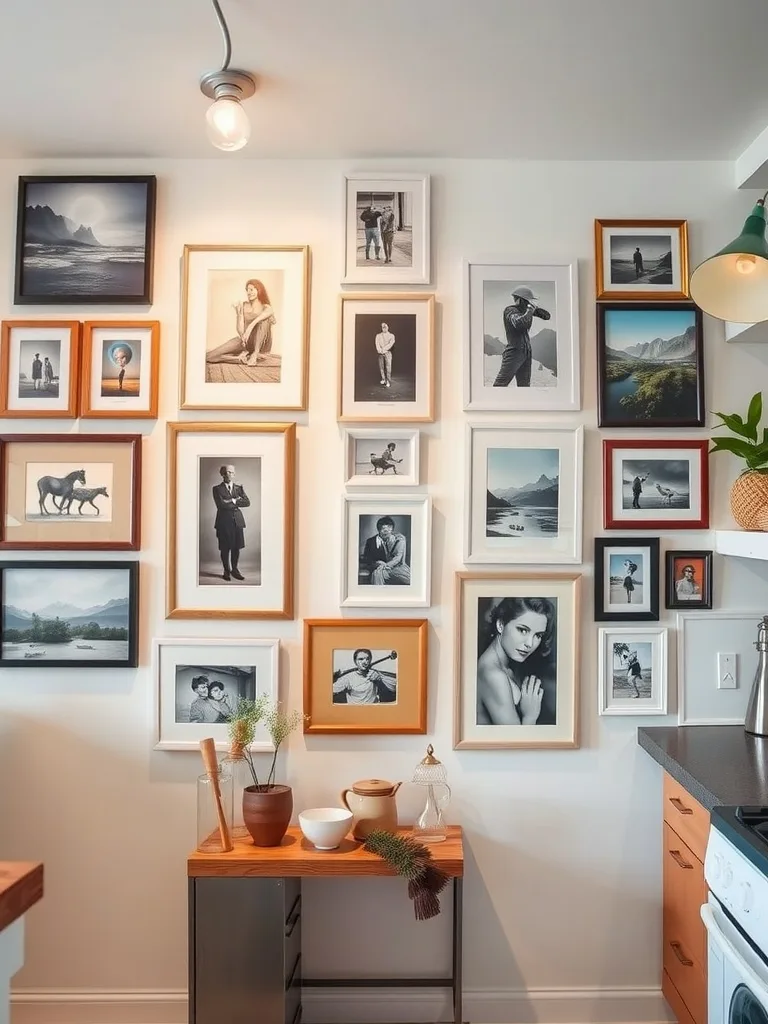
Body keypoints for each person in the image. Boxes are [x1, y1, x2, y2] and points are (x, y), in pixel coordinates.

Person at [476, 597, 555, 725]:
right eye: (523, 630)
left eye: (538, 635)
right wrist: (530, 717)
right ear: (500, 625)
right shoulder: (493, 675)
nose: (530, 644)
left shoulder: (511, 663)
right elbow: (516, 743)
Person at [205, 280, 276, 366]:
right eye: (247, 290)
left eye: (252, 289)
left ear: (259, 290)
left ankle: (255, 354)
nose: (249, 292)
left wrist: (250, 326)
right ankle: (239, 359)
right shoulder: (243, 305)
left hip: (260, 346)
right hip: (246, 342)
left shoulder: (266, 307)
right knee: (209, 356)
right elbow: (241, 330)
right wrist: (238, 315)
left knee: (263, 320)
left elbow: (265, 316)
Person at [493, 286, 551, 388]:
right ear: (521, 300)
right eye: (528, 301)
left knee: (524, 386)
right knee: (500, 384)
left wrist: (535, 310)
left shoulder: (525, 311)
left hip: (526, 353)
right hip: (514, 352)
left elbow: (547, 316)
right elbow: (521, 324)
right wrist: (529, 310)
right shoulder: (510, 310)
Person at [212, 464, 251, 582]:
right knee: (225, 548)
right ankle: (226, 571)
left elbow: (247, 502)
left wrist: (230, 500)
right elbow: (221, 505)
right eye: (227, 472)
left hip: (237, 522)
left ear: (234, 474)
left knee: (236, 548)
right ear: (222, 474)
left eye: (231, 472)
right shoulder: (217, 489)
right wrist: (236, 500)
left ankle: (235, 569)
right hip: (223, 522)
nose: (229, 474)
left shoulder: (239, 488)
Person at [361, 515, 411, 586]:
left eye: (389, 528)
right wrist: (377, 563)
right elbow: (367, 559)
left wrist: (385, 565)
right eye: (383, 528)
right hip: (379, 568)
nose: (386, 531)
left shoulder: (399, 539)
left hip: (396, 568)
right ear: (379, 529)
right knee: (376, 574)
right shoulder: (371, 541)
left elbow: (398, 558)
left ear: (392, 529)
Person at [374, 322, 395, 387]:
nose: (384, 328)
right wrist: (379, 350)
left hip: (387, 352)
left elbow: (391, 344)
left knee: (388, 367)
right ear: (381, 328)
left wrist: (384, 350)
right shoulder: (378, 335)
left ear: (388, 327)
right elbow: (377, 343)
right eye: (383, 327)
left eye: (385, 327)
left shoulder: (391, 335)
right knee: (381, 367)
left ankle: (388, 381)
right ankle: (383, 379)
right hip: (380, 353)